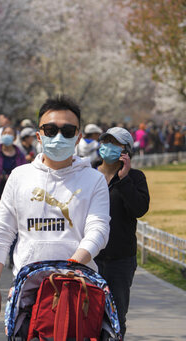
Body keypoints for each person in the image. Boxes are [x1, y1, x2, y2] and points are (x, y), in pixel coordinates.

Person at [0, 95, 111, 326]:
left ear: (78, 137)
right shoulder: (19, 176)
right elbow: (1, 234)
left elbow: (98, 230)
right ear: (39, 135)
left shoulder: (94, 180)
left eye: (67, 130)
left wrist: (72, 266)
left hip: (78, 290)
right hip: (27, 295)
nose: (58, 137)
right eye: (51, 130)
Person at [93, 127, 150, 339]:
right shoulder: (89, 174)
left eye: (114, 143)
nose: (107, 147)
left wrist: (124, 179)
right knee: (89, 314)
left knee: (116, 317)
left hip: (120, 260)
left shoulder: (135, 178)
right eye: (105, 141)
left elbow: (139, 209)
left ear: (125, 150)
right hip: (91, 257)